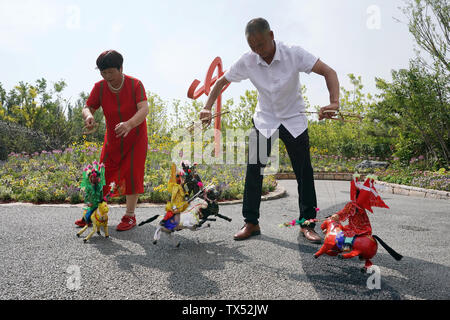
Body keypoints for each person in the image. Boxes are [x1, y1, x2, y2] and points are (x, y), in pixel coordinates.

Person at [199, 18, 340, 243]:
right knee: (254, 170)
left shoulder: (294, 53)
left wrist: (334, 102)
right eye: (252, 46)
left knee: (303, 172)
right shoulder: (248, 60)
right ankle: (251, 222)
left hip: (294, 119)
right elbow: (220, 82)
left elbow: (329, 71)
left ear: (272, 35)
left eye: (261, 45)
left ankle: (307, 223)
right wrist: (207, 107)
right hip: (265, 119)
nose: (258, 51)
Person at [75, 50, 149, 231]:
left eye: (111, 72)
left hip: (135, 137)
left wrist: (130, 124)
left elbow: (144, 108)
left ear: (121, 68)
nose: (107, 76)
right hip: (113, 139)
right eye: (103, 73)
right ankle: (93, 213)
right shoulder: (99, 87)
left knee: (132, 173)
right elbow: (88, 107)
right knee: (101, 175)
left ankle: (130, 216)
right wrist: (89, 117)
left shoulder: (135, 84)